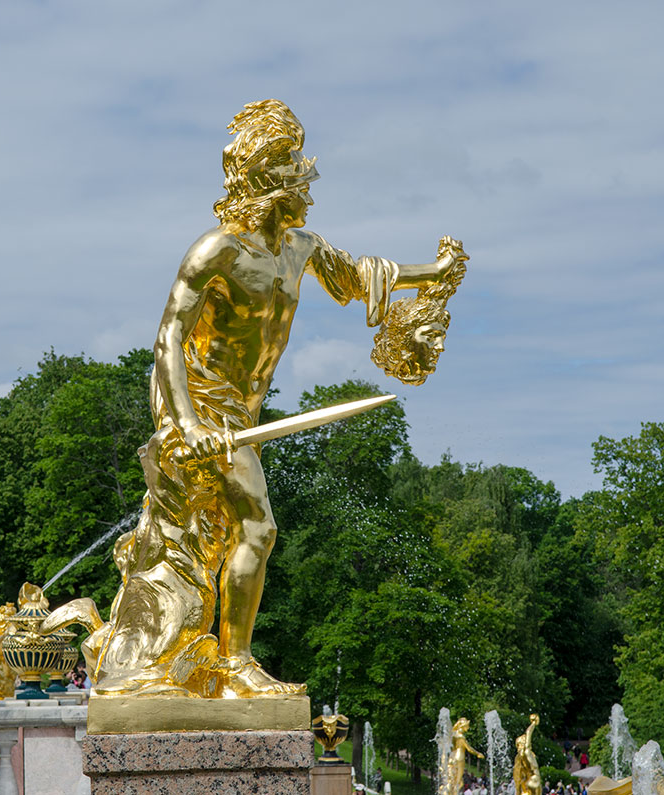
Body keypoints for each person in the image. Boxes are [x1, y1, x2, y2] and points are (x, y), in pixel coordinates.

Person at [84, 100, 462, 696]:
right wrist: (185, 423)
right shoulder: (218, 250)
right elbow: (167, 339)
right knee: (256, 527)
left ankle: (175, 657)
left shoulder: (299, 247)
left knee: (197, 538)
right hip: (199, 405)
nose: (308, 187)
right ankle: (234, 664)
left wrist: (433, 273)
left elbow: (360, 276)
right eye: (295, 173)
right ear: (267, 180)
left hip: (241, 414)